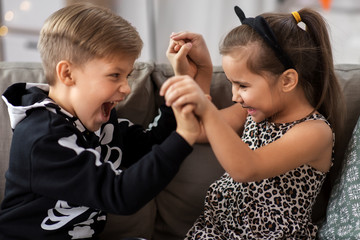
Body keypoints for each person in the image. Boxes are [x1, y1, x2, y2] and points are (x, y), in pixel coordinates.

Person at [0, 3, 203, 239]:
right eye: (115, 75)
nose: (126, 88)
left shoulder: (100, 121)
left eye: (127, 76)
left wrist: (180, 84)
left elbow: (149, 146)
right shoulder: (41, 138)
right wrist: (184, 137)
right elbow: (120, 195)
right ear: (67, 74)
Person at [161, 6, 344, 239]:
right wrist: (194, 73)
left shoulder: (314, 132)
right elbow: (195, 130)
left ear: (287, 80)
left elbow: (247, 169)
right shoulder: (251, 111)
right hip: (218, 231)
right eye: (231, 84)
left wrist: (206, 107)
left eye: (242, 85)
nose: (234, 96)